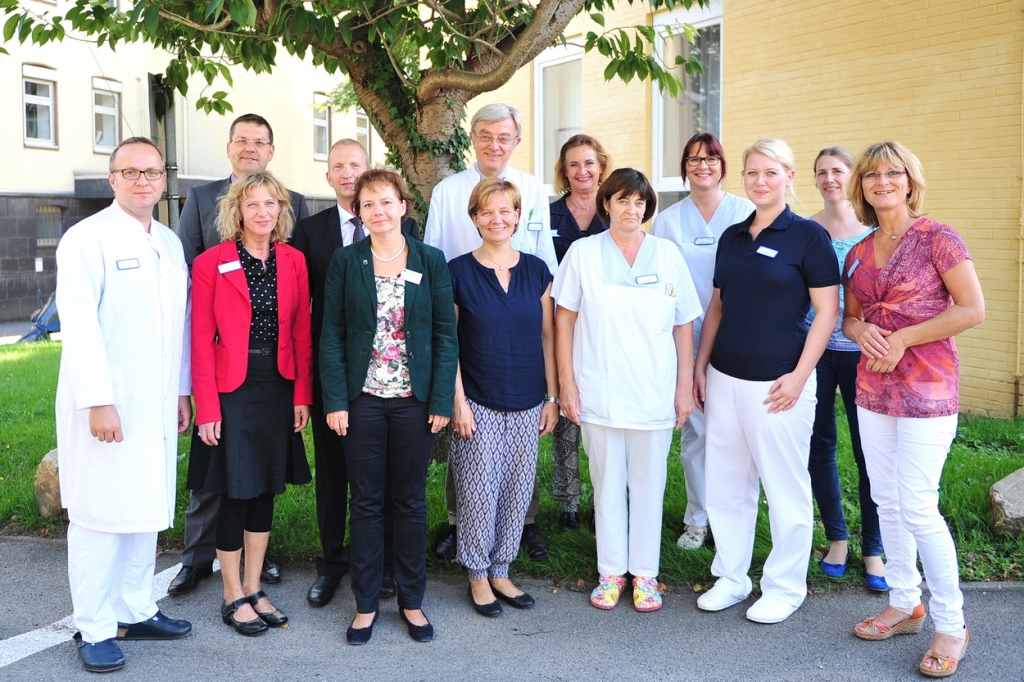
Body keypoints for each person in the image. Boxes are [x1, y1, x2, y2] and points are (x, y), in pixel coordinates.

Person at [844, 141, 984, 678]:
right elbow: (851, 319)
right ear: (863, 186)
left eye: (893, 172)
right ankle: (905, 602)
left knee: (919, 504)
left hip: (928, 389)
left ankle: (952, 623)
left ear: (909, 180)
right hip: (873, 388)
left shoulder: (938, 238)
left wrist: (903, 339)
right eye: (872, 174)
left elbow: (973, 309)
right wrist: (860, 331)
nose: (882, 181)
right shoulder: (858, 250)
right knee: (885, 498)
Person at [55, 137, 193, 673]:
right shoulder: (85, 239)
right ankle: (92, 626)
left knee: (145, 509)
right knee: (98, 515)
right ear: (112, 179)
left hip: (155, 402)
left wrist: (181, 390)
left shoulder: (168, 241)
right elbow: (81, 328)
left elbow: (176, 325)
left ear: (164, 180)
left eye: (152, 172)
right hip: (108, 405)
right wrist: (98, 400)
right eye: (130, 172)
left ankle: (135, 607)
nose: (143, 181)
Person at [694, 139, 839, 624]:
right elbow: (717, 306)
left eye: (770, 173)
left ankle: (784, 586)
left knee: (784, 488)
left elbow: (827, 312)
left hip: (779, 385)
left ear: (789, 177)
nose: (760, 181)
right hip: (724, 378)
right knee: (726, 484)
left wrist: (801, 376)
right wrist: (700, 366)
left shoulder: (808, 237)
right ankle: (732, 577)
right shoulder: (733, 236)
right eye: (752, 172)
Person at [170, 113, 310, 594]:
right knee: (232, 488)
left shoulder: (294, 261)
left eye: (271, 203)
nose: (263, 211)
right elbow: (201, 340)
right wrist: (205, 405)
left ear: (281, 209)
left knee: (264, 487)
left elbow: (301, 332)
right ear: (238, 209)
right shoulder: (212, 262)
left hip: (277, 384)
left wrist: (302, 396)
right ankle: (230, 591)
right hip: (230, 387)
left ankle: (253, 585)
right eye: (253, 203)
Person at [553, 168, 702, 613]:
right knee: (607, 484)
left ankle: (646, 575)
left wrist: (683, 389)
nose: (630, 209)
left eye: (639, 203)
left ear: (647, 208)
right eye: (621, 201)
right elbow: (564, 320)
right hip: (599, 388)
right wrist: (566, 383)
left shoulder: (666, 255)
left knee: (649, 485)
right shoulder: (583, 253)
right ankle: (611, 572)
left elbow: (683, 325)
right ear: (606, 205)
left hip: (653, 390)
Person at [320, 168, 458, 645]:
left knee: (411, 502)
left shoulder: (431, 260)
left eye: (386, 201)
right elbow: (332, 335)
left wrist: (441, 398)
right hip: (362, 402)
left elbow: (445, 334)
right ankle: (363, 605)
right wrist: (336, 399)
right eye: (368, 204)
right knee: (366, 502)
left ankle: (412, 601)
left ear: (403, 205)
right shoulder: (345, 261)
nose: (378, 211)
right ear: (359, 212)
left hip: (414, 404)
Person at [292, 139, 420, 608]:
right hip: (337, 377)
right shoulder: (311, 231)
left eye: (356, 165)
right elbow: (304, 308)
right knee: (333, 475)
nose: (348, 173)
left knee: (384, 477)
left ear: (370, 172)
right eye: (338, 166)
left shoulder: (406, 232)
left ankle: (384, 567)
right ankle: (331, 566)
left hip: (391, 381)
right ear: (328, 177)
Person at [425, 103, 554, 562]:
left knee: (520, 443)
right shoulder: (447, 191)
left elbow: (543, 262)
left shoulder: (534, 188)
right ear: (472, 138)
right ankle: (461, 524)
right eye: (485, 135)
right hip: (466, 311)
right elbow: (434, 255)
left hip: (517, 315)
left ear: (517, 140)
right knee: (469, 437)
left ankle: (525, 523)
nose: (494, 144)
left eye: (504, 136)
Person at [449, 178, 559, 617]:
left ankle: (501, 569)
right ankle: (476, 574)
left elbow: (549, 336)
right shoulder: (456, 271)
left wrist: (551, 397)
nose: (497, 219)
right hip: (478, 398)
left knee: (516, 490)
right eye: (487, 212)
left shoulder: (536, 271)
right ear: (475, 218)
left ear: (518, 216)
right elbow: (448, 343)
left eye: (506, 211)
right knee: (478, 492)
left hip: (529, 397)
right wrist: (457, 401)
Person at [651, 132, 754, 550]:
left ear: (723, 165)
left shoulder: (745, 212)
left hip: (739, 335)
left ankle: (733, 517)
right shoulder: (669, 220)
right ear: (684, 168)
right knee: (695, 429)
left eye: (710, 159)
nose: (702, 166)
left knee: (735, 431)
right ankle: (697, 518)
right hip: (687, 336)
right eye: (693, 159)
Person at [804, 147, 886, 590]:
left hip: (865, 355)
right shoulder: (806, 229)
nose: (830, 178)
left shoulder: (875, 230)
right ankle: (837, 538)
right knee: (820, 446)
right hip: (815, 353)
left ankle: (873, 548)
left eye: (837, 170)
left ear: (851, 175)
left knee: (868, 449)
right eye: (822, 172)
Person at [548, 134, 610, 530]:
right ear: (564, 172)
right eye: (573, 165)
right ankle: (569, 501)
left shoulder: (616, 210)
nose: (582, 171)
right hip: (563, 323)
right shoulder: (548, 215)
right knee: (567, 411)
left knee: (605, 416)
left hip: (607, 328)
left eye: (589, 163)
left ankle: (607, 499)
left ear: (601, 167)